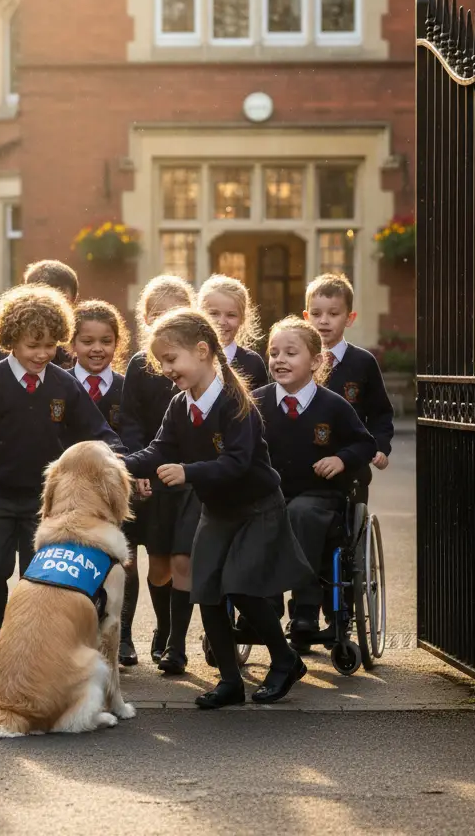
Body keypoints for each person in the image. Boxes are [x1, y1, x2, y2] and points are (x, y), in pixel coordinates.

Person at [123, 308, 313, 708]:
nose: (166, 369)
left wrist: (188, 473)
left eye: (171, 359)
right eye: (161, 363)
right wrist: (116, 463)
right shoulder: (180, 404)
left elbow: (238, 462)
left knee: (240, 586)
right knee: (205, 590)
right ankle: (230, 681)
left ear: (204, 350)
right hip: (217, 510)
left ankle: (285, 659)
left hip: (257, 506)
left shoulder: (235, 401)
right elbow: (159, 449)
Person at [0, 284, 125, 677]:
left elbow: (96, 429)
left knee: (43, 580)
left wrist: (116, 456)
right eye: (34, 345)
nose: (43, 354)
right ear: (11, 339)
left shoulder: (64, 386)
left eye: (50, 345)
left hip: (47, 506)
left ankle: (40, 649)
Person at [254, 316, 376, 651]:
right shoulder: (256, 403)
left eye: (291, 353)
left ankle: (305, 609)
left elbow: (364, 443)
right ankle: (266, 605)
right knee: (260, 516)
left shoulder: (333, 405)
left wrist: (341, 459)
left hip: (319, 496)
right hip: (272, 494)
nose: (280, 360)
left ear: (316, 361)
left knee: (301, 514)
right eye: (274, 352)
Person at [120, 274, 196, 673]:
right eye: (156, 314)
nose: (165, 320)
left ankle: (169, 635)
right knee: (133, 559)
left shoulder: (198, 365)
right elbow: (130, 420)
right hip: (145, 474)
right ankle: (126, 634)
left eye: (174, 314)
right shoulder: (138, 366)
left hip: (183, 479)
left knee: (167, 562)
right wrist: (138, 466)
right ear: (144, 319)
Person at [67, 298, 138, 665]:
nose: (97, 349)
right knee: (76, 564)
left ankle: (121, 638)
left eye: (106, 341)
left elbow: (135, 434)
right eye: (88, 341)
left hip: (113, 492)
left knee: (120, 565)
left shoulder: (129, 387)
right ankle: (76, 636)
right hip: (72, 495)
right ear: (72, 344)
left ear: (117, 343)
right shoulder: (61, 385)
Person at [303, 273, 394, 504]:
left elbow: (379, 412)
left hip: (351, 462)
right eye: (316, 314)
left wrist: (380, 447)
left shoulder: (363, 362)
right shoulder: (296, 361)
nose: (323, 321)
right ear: (306, 317)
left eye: (333, 314)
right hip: (305, 462)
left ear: (349, 318)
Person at [0, 259, 78, 370]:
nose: (47, 312)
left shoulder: (82, 342)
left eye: (57, 306)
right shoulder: (11, 344)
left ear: (72, 301)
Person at [198, 274, 269, 389]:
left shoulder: (252, 363)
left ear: (242, 319)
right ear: (199, 314)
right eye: (213, 313)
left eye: (231, 315)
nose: (222, 322)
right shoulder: (189, 358)